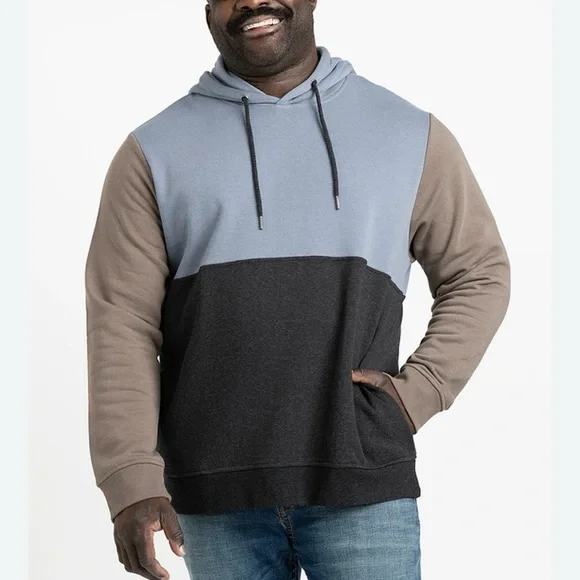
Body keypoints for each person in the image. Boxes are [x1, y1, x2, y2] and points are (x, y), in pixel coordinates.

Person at [84, 1, 511, 578]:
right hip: (213, 493)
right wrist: (130, 477)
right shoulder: (152, 152)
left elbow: (478, 271)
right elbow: (122, 320)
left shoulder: (408, 133)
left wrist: (424, 387)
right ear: (208, 11)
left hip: (362, 482)